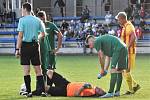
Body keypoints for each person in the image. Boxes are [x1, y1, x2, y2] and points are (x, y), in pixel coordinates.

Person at [15, 2, 46, 97]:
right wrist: (37, 37)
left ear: (24, 9)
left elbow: (20, 36)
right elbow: (43, 34)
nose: (21, 11)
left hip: (25, 46)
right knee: (38, 70)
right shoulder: (37, 20)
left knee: (26, 71)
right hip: (35, 45)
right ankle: (43, 91)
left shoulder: (22, 20)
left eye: (21, 9)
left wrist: (17, 49)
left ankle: (28, 92)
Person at [115, 12, 140, 95]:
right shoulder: (125, 26)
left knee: (126, 70)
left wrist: (127, 47)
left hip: (129, 52)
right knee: (124, 71)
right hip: (127, 52)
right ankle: (135, 85)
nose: (118, 21)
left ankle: (131, 90)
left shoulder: (128, 26)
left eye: (118, 19)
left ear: (122, 18)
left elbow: (134, 36)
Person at [37, 11, 62, 81]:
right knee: (42, 70)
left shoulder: (51, 25)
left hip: (50, 52)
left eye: (43, 17)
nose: (42, 19)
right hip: (40, 52)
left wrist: (57, 48)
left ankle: (49, 88)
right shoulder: (37, 27)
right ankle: (44, 87)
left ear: (45, 17)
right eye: (40, 18)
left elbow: (60, 35)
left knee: (51, 70)